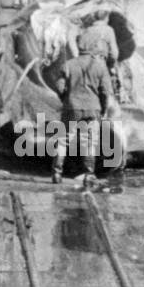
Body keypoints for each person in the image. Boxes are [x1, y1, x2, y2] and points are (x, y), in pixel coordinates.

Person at [52, 32, 116, 187]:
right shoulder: (100, 67)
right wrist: (104, 110)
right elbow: (106, 92)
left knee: (63, 140)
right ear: (93, 46)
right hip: (93, 109)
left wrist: (66, 99)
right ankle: (89, 174)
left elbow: (59, 87)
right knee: (89, 142)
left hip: (71, 108)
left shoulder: (68, 64)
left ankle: (57, 173)